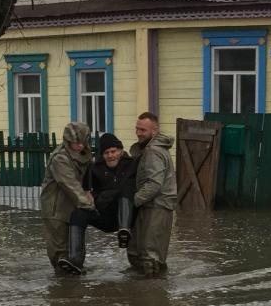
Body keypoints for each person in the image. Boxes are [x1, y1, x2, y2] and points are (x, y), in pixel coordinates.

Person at [63, 133, 136, 271]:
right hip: (104, 212)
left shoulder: (131, 165)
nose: (110, 155)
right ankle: (75, 259)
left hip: (128, 216)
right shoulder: (95, 168)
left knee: (125, 191)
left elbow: (132, 189)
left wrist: (108, 194)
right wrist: (99, 197)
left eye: (113, 151)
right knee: (78, 213)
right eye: (106, 153)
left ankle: (124, 231)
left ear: (120, 151)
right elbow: (88, 193)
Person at [40, 121, 94, 272]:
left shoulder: (84, 154)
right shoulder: (60, 158)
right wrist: (89, 205)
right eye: (75, 143)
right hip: (55, 210)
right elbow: (69, 184)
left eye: (82, 142)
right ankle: (62, 289)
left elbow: (87, 179)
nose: (79, 146)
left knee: (77, 250)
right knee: (60, 252)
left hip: (73, 208)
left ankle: (74, 287)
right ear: (68, 141)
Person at [127, 112, 176, 274]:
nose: (138, 133)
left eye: (143, 130)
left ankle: (153, 295)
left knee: (150, 256)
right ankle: (148, 292)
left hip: (157, 207)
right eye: (137, 129)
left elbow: (154, 184)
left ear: (154, 131)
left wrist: (132, 201)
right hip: (152, 206)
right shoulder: (151, 149)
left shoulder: (153, 151)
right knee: (140, 252)